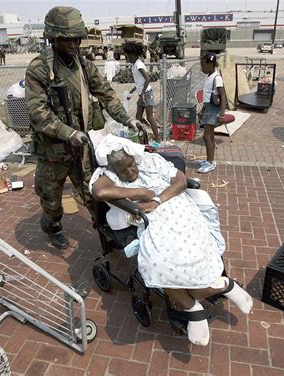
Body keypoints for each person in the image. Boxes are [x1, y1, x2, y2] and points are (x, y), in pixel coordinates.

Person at [90, 135, 253, 346]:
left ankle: (218, 289)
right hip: (153, 220)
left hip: (178, 206)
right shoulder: (108, 175)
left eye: (131, 166)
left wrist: (157, 199)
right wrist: (140, 192)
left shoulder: (152, 161)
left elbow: (181, 181)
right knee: (159, 262)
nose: (130, 172)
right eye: (123, 171)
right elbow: (99, 191)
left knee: (189, 257)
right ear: (114, 169)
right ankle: (200, 304)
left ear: (134, 156)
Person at [25, 6, 143, 249]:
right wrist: (68, 133)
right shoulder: (40, 69)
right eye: (66, 39)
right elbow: (38, 114)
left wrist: (127, 119)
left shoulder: (84, 66)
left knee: (94, 193)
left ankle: (106, 230)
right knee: (51, 198)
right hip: (53, 151)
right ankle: (52, 226)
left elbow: (107, 96)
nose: (73, 44)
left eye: (76, 38)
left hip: (82, 149)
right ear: (53, 38)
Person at [123, 41, 162, 148]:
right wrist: (131, 91)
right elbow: (139, 83)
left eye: (128, 56)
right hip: (142, 95)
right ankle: (140, 139)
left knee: (150, 117)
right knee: (138, 117)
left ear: (134, 54)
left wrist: (143, 94)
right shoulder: (134, 65)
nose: (127, 58)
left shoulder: (139, 65)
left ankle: (158, 140)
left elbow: (147, 79)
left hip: (147, 94)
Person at [196, 53, 227, 174]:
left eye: (203, 65)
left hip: (214, 110)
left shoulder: (216, 78)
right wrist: (202, 111)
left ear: (211, 64)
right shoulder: (208, 76)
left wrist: (222, 114)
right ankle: (210, 160)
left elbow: (222, 95)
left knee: (206, 136)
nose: (202, 68)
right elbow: (207, 96)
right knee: (210, 136)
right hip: (208, 108)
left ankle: (209, 163)